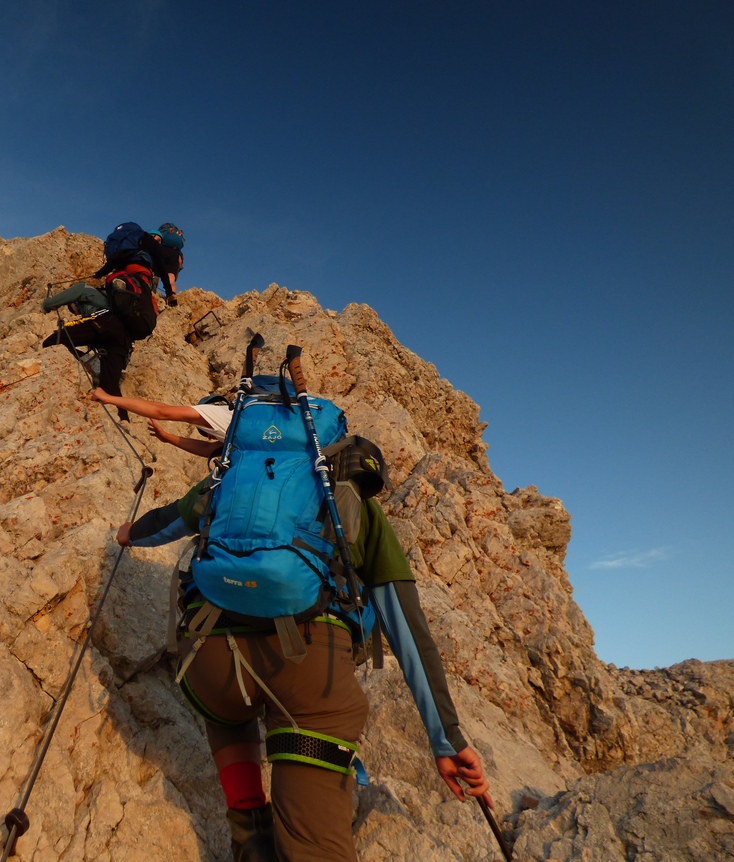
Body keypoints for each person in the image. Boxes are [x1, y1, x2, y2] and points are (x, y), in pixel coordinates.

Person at [115, 442, 492, 861]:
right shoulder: (357, 505)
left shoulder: (233, 481)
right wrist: (446, 739)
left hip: (213, 667)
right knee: (314, 846)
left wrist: (127, 533)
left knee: (228, 711)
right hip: (311, 673)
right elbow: (407, 630)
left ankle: (249, 825)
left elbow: (158, 525)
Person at [42, 282, 132, 420]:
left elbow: (61, 298)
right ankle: (124, 421)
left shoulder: (84, 288)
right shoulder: (107, 302)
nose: (76, 313)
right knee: (109, 387)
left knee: (51, 341)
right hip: (122, 340)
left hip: (101, 324)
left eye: (73, 309)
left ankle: (81, 361)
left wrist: (47, 305)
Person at [88, 387, 231, 457]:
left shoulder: (218, 413)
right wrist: (166, 437)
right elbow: (208, 449)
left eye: (204, 430)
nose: (210, 437)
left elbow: (162, 412)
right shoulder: (234, 431)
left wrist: (109, 398)